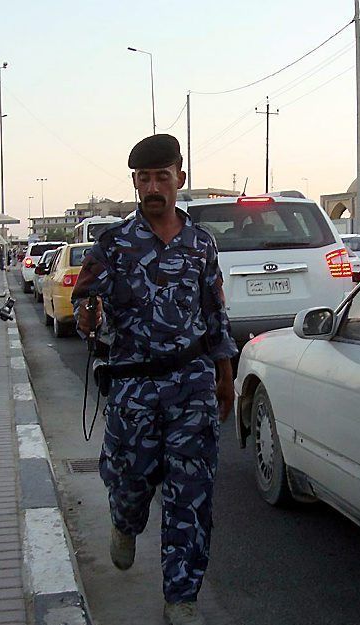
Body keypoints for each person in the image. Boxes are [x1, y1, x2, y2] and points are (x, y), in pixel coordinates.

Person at [71, 134, 238, 625]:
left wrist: (224, 376)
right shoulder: (114, 243)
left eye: (161, 176)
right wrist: (88, 314)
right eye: (144, 179)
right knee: (129, 482)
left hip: (191, 384)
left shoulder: (200, 244)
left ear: (179, 180)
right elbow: (85, 297)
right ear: (136, 184)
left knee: (192, 495)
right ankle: (125, 521)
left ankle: (181, 597)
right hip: (134, 388)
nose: (152, 187)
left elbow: (216, 316)